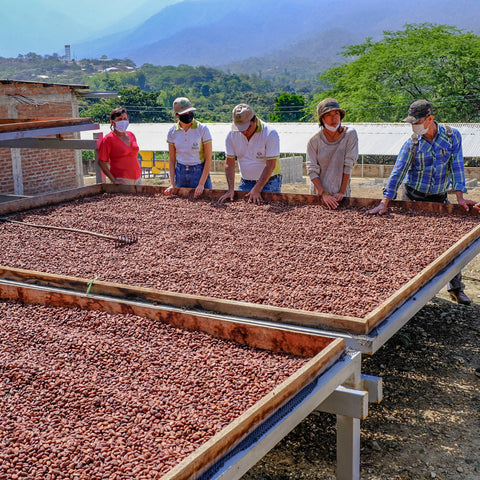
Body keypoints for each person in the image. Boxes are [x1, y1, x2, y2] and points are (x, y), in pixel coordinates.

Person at [366, 99, 476, 305]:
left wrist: (460, 197)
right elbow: (397, 172)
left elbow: (457, 166)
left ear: (430, 119)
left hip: (439, 198)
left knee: (447, 243)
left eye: (416, 122)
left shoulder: (452, 137)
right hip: (413, 197)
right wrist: (384, 202)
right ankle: (410, 291)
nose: (413, 126)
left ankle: (456, 288)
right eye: (411, 123)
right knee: (411, 243)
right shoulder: (412, 143)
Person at [219, 104, 281, 205]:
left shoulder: (270, 133)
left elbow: (270, 165)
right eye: (241, 129)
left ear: (255, 120)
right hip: (245, 182)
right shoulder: (231, 135)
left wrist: (257, 188)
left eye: (247, 128)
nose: (244, 132)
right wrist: (230, 189)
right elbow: (229, 164)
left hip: (269, 183)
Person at [306, 98, 358, 209]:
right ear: (322, 119)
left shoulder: (350, 135)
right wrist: (324, 194)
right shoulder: (314, 141)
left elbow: (348, 164)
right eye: (328, 115)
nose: (334, 118)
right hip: (319, 194)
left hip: (341, 193)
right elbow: (312, 170)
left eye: (336, 113)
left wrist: (342, 191)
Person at [165, 97, 212, 198]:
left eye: (189, 111)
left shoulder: (202, 129)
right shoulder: (172, 132)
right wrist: (172, 183)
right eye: (184, 113)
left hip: (199, 170)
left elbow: (208, 159)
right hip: (180, 171)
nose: (188, 114)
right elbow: (172, 160)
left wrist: (201, 183)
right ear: (177, 115)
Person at [97, 107, 141, 185]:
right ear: (112, 122)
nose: (123, 121)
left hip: (137, 177)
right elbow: (101, 162)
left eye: (125, 118)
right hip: (122, 179)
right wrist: (113, 180)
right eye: (120, 119)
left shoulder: (131, 135)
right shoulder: (108, 139)